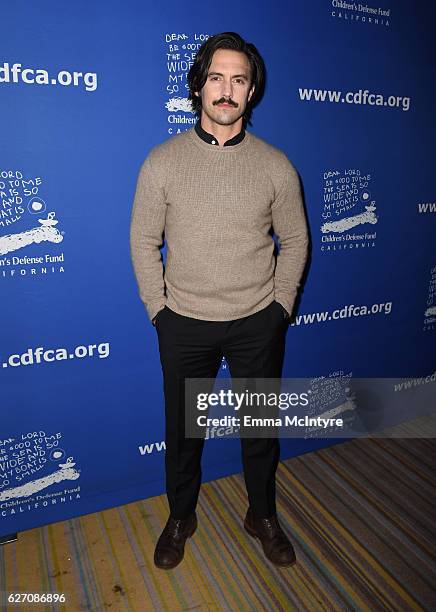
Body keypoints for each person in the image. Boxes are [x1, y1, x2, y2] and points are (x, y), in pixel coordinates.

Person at [130, 31, 309, 569]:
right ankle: (182, 515)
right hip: (183, 322)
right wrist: (157, 311)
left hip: (258, 321)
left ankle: (262, 514)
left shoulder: (276, 165)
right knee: (184, 435)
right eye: (216, 78)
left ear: (252, 91)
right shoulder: (161, 161)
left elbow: (296, 239)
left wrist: (281, 307)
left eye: (239, 79)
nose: (227, 90)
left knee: (260, 433)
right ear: (198, 86)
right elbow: (143, 239)